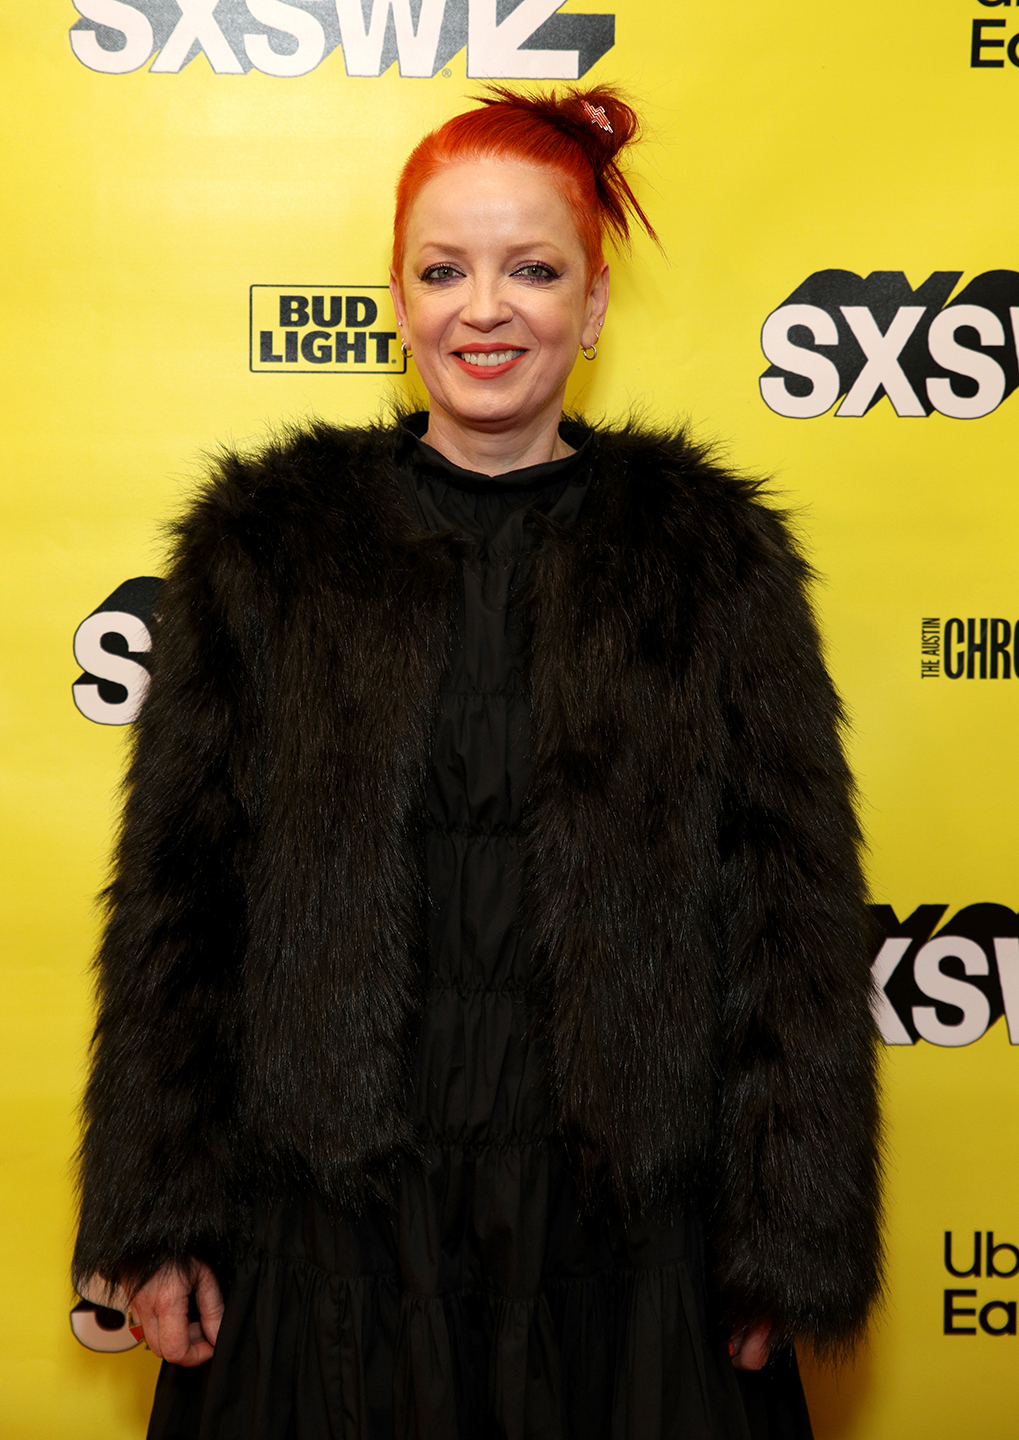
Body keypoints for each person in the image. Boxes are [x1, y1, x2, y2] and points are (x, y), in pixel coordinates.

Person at [73, 87, 882, 1439]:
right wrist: (161, 1211)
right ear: (396, 295)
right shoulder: (266, 548)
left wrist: (785, 1227)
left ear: (596, 303)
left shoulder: (710, 560)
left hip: (627, 1251)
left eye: (533, 269)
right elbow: (178, 908)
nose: (485, 309)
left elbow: (791, 918)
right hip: (327, 1244)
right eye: (444, 270)